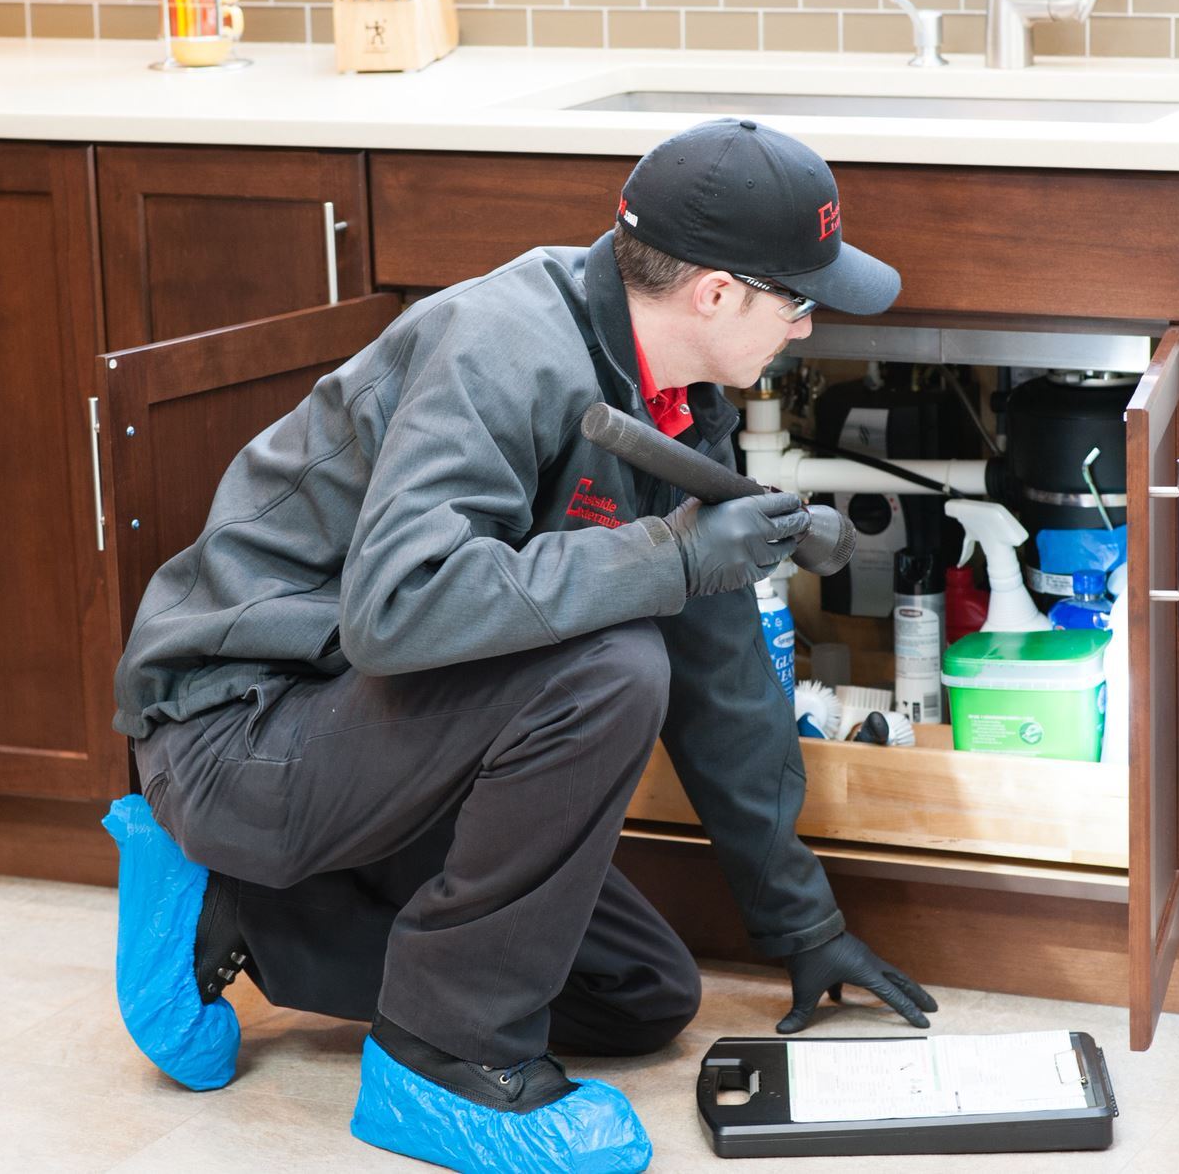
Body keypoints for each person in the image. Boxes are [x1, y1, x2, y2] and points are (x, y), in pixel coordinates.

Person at [104, 118, 938, 1173]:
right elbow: (399, 607)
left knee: (640, 998)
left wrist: (799, 922)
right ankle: (441, 1058)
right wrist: (669, 558)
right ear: (715, 293)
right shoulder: (504, 347)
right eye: (799, 300)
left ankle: (244, 902)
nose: (807, 329)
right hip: (240, 731)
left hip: (376, 735)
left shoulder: (678, 400)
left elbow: (722, 675)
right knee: (609, 666)